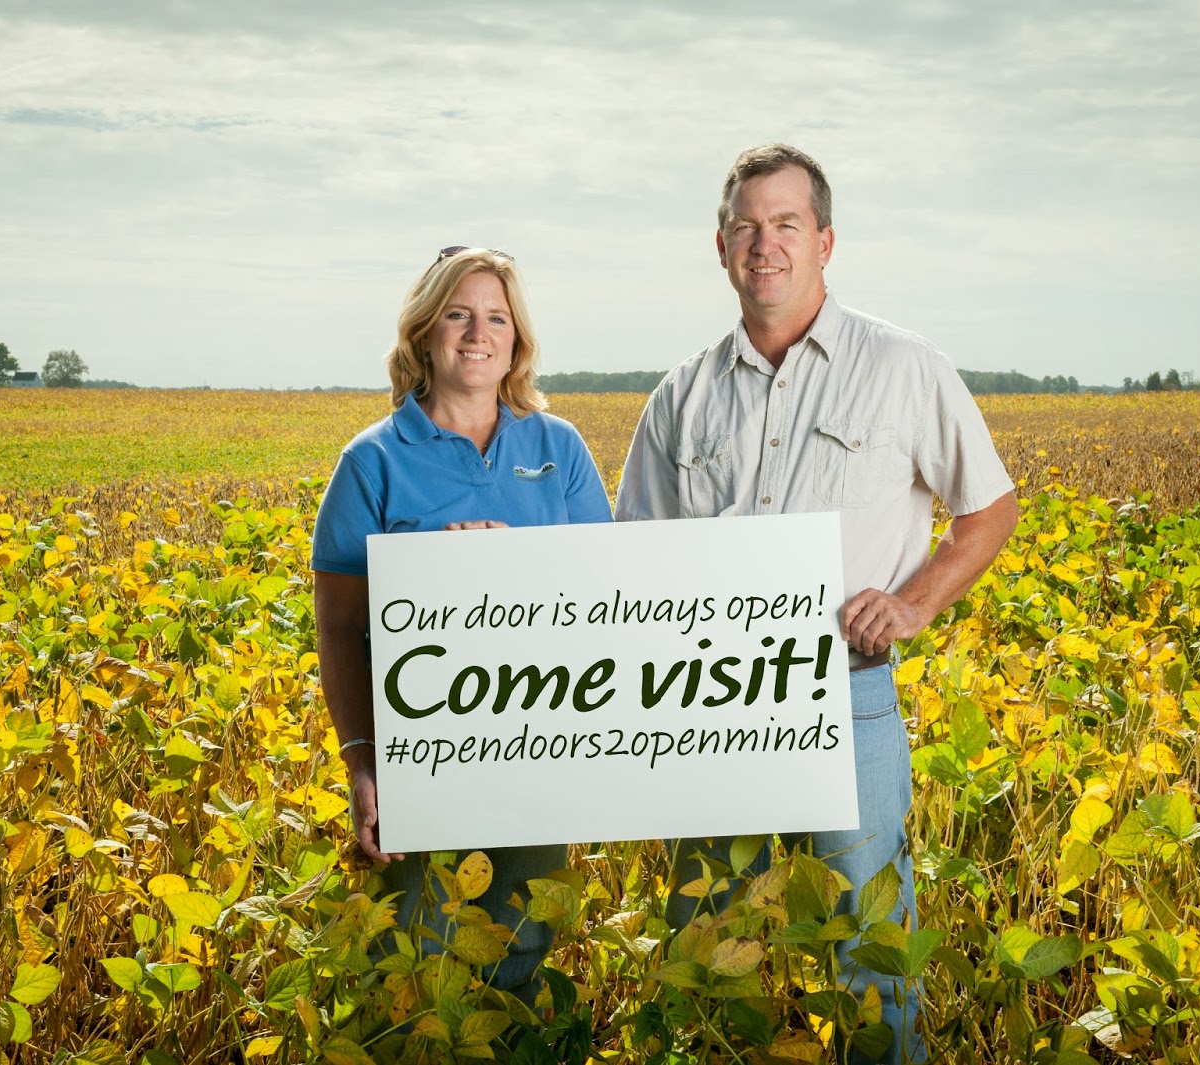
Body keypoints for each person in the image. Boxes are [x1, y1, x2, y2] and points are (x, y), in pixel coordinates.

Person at [615, 144, 1019, 1063]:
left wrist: (915, 603)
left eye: (787, 224)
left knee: (872, 954)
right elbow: (635, 553)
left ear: (825, 240)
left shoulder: (903, 365)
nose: (767, 245)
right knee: (708, 948)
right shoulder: (681, 395)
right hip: (712, 706)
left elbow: (990, 508)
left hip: (849, 698)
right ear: (720, 247)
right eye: (747, 227)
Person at [311, 246, 613, 1001]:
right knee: (410, 958)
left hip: (536, 747)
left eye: (496, 318)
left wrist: (514, 568)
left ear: (517, 339)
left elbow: (609, 597)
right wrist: (361, 761)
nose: (477, 332)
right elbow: (341, 625)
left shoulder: (560, 449)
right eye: (458, 313)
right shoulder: (372, 461)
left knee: (520, 947)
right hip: (421, 758)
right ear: (424, 332)